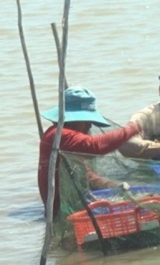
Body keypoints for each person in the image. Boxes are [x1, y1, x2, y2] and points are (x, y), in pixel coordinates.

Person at [38, 85, 140, 217]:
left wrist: (115, 187)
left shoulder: (65, 140)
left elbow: (87, 176)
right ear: (72, 119)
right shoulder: (60, 136)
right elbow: (95, 146)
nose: (89, 126)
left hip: (71, 207)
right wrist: (132, 129)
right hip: (61, 213)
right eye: (86, 121)